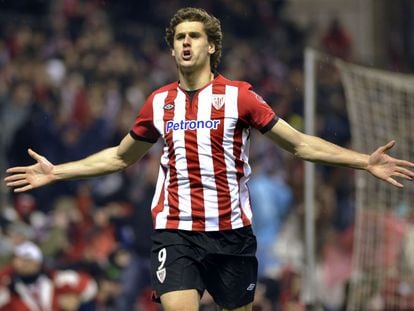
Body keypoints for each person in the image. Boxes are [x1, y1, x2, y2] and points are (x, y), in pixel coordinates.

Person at [4, 7, 414, 311]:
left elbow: (300, 145)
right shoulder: (159, 103)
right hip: (175, 231)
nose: (185, 42)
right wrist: (58, 171)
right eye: (179, 36)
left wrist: (364, 161)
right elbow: (119, 156)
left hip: (231, 234)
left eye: (194, 36)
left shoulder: (241, 97)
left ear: (211, 46)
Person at [0, 240, 97, 311]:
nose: (18, 264)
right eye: (17, 259)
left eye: (24, 260)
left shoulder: (54, 279)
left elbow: (89, 286)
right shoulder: (8, 287)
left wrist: (75, 298)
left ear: (36, 263)